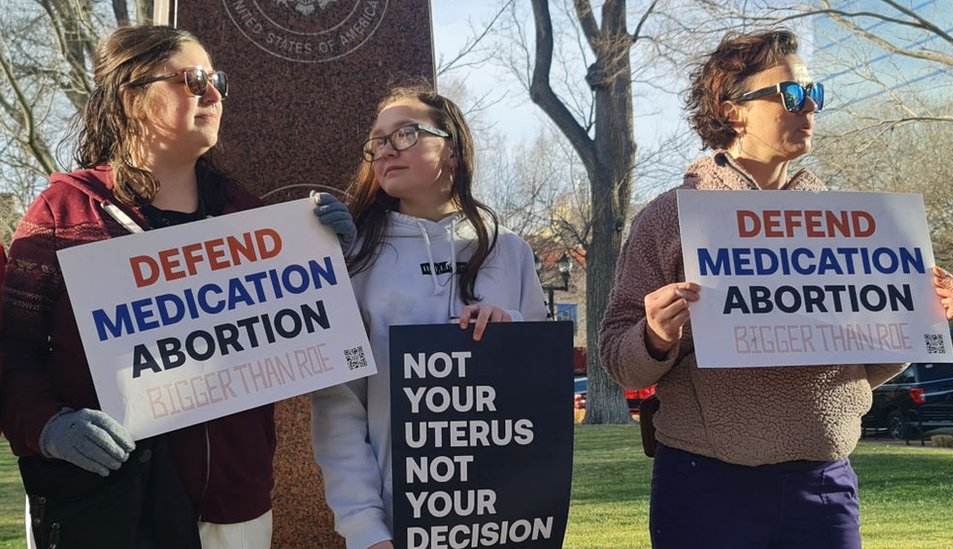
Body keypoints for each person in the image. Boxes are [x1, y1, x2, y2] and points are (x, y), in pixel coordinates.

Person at [598, 29, 953, 549]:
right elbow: (619, 358)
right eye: (792, 95)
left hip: (823, 484)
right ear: (734, 112)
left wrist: (919, 318)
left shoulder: (849, 224)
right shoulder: (669, 218)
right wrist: (655, 336)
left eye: (815, 94)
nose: (809, 108)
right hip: (704, 483)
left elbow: (865, 364)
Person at [0, 25, 354, 549]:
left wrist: (323, 261)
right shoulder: (61, 214)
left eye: (217, 81)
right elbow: (11, 353)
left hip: (234, 510)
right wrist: (48, 427)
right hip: (112, 509)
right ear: (132, 97)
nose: (213, 95)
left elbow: (289, 340)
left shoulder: (247, 216)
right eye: (193, 80)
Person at [310, 84, 548, 549]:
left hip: (503, 517)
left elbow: (544, 387)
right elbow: (339, 406)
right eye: (377, 140)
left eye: (404, 135)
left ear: (453, 150)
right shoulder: (354, 257)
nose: (384, 150)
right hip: (394, 524)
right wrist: (365, 529)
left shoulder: (510, 250)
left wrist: (512, 332)